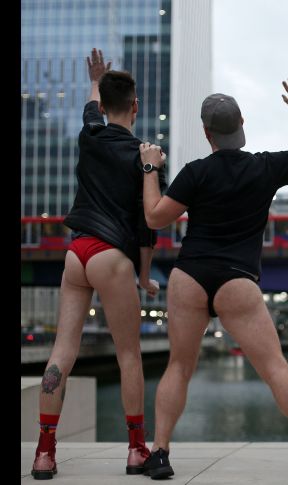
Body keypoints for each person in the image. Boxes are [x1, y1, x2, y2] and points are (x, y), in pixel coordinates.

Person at [139, 78, 288, 479]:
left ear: (206, 132)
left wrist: (149, 169)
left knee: (178, 366)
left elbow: (154, 217)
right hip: (237, 281)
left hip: (190, 275)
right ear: (242, 122)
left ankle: (159, 453)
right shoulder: (266, 166)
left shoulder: (195, 173)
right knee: (275, 368)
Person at [31, 48, 162, 480]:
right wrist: (145, 276)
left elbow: (91, 108)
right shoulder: (144, 155)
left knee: (61, 354)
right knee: (129, 356)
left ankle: (45, 453)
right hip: (112, 256)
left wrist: (94, 79)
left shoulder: (90, 134)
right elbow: (148, 222)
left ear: (104, 107)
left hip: (76, 252)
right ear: (136, 107)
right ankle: (136, 450)